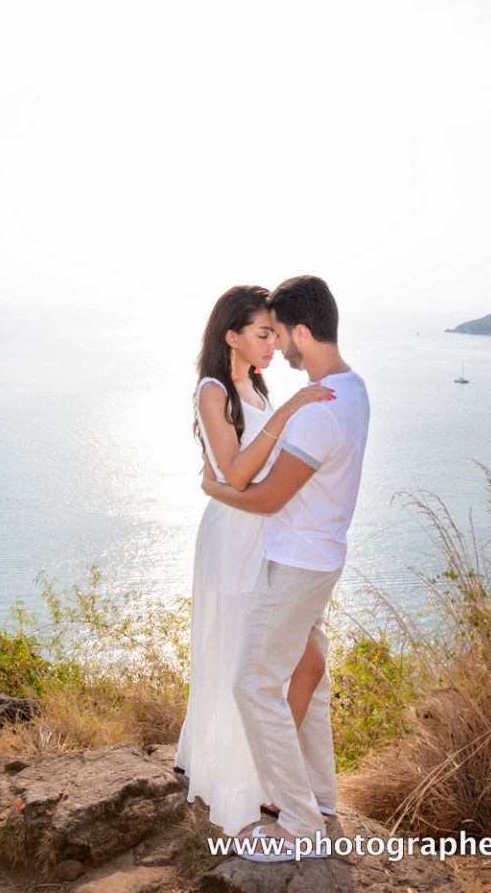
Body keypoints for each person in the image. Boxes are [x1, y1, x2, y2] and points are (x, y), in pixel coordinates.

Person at [200, 275, 370, 862]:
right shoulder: (353, 389)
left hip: (294, 564)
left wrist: (214, 490)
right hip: (318, 558)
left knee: (253, 683)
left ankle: (299, 823)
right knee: (313, 674)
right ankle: (319, 797)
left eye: (280, 335)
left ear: (301, 333)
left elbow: (267, 497)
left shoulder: (319, 409)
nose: (279, 348)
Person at [177, 284, 336, 837]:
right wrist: (292, 407)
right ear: (232, 335)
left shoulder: (257, 386)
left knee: (305, 659)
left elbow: (262, 472)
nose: (274, 344)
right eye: (263, 333)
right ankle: (248, 779)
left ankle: (264, 771)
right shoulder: (213, 390)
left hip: (265, 534)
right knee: (241, 659)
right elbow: (237, 473)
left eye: (276, 332)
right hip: (232, 537)